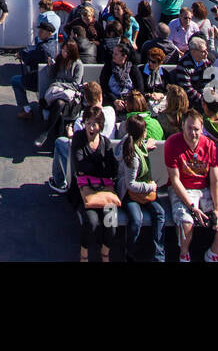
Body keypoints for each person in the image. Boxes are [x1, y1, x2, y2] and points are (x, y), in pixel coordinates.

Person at [164, 109, 218, 262]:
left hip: (203, 189)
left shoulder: (209, 145)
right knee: (186, 223)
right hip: (183, 189)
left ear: (202, 129)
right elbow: (175, 180)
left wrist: (217, 210)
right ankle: (184, 254)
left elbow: (216, 180)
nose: (193, 133)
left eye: (196, 129)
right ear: (183, 126)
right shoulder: (172, 143)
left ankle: (212, 254)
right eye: (189, 128)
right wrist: (192, 207)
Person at [68, 106, 119, 262]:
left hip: (104, 190)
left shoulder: (106, 143)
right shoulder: (79, 138)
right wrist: (100, 167)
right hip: (84, 191)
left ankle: (105, 252)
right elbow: (80, 166)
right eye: (88, 123)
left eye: (95, 124)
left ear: (100, 126)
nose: (91, 127)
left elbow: (113, 169)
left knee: (111, 221)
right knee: (92, 221)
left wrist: (92, 168)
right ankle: (84, 254)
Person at [48, 81, 115, 193]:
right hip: (104, 158)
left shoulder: (82, 120)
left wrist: (70, 134)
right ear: (100, 96)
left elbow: (78, 144)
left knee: (60, 142)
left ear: (86, 99)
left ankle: (59, 182)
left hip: (87, 160)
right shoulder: (111, 112)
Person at [117, 115, 165, 262]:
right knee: (136, 219)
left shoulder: (134, 143)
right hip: (129, 194)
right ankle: (130, 254)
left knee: (159, 213)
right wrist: (151, 186)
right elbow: (131, 184)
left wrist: (146, 146)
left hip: (142, 192)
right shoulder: (132, 158)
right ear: (143, 133)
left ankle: (159, 256)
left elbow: (139, 145)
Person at [38, 39, 84, 148]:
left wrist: (60, 84)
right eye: (63, 50)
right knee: (59, 107)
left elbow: (76, 84)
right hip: (58, 94)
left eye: (66, 52)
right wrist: (50, 66)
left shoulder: (78, 64)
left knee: (59, 105)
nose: (64, 53)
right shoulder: (59, 59)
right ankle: (57, 143)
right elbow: (51, 75)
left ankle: (46, 131)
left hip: (71, 97)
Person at [14, 18, 61, 119]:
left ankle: (27, 110)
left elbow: (29, 59)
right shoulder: (58, 46)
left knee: (15, 81)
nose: (39, 33)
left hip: (40, 80)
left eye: (42, 31)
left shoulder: (43, 48)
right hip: (56, 81)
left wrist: (21, 54)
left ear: (49, 33)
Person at [100, 42, 144, 116]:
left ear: (124, 56)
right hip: (112, 101)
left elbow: (140, 89)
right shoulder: (108, 68)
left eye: (116, 54)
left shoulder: (133, 69)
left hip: (130, 102)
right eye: (113, 53)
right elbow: (104, 87)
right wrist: (115, 100)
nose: (113, 55)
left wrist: (128, 102)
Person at [168, 35, 212, 107]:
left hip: (205, 98)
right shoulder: (183, 65)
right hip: (192, 102)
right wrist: (204, 101)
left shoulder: (206, 61)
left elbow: (210, 81)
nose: (206, 53)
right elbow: (188, 90)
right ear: (194, 52)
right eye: (203, 51)